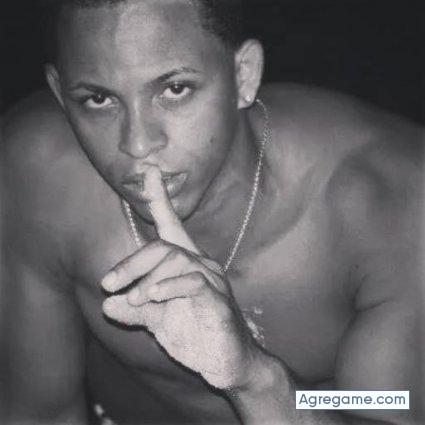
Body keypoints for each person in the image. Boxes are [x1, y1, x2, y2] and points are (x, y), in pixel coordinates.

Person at [1, 0, 423, 424]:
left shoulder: (394, 202)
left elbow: (391, 409)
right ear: (59, 93)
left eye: (174, 90)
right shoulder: (40, 176)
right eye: (99, 99)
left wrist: (255, 378)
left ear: (244, 75)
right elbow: (39, 413)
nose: (138, 145)